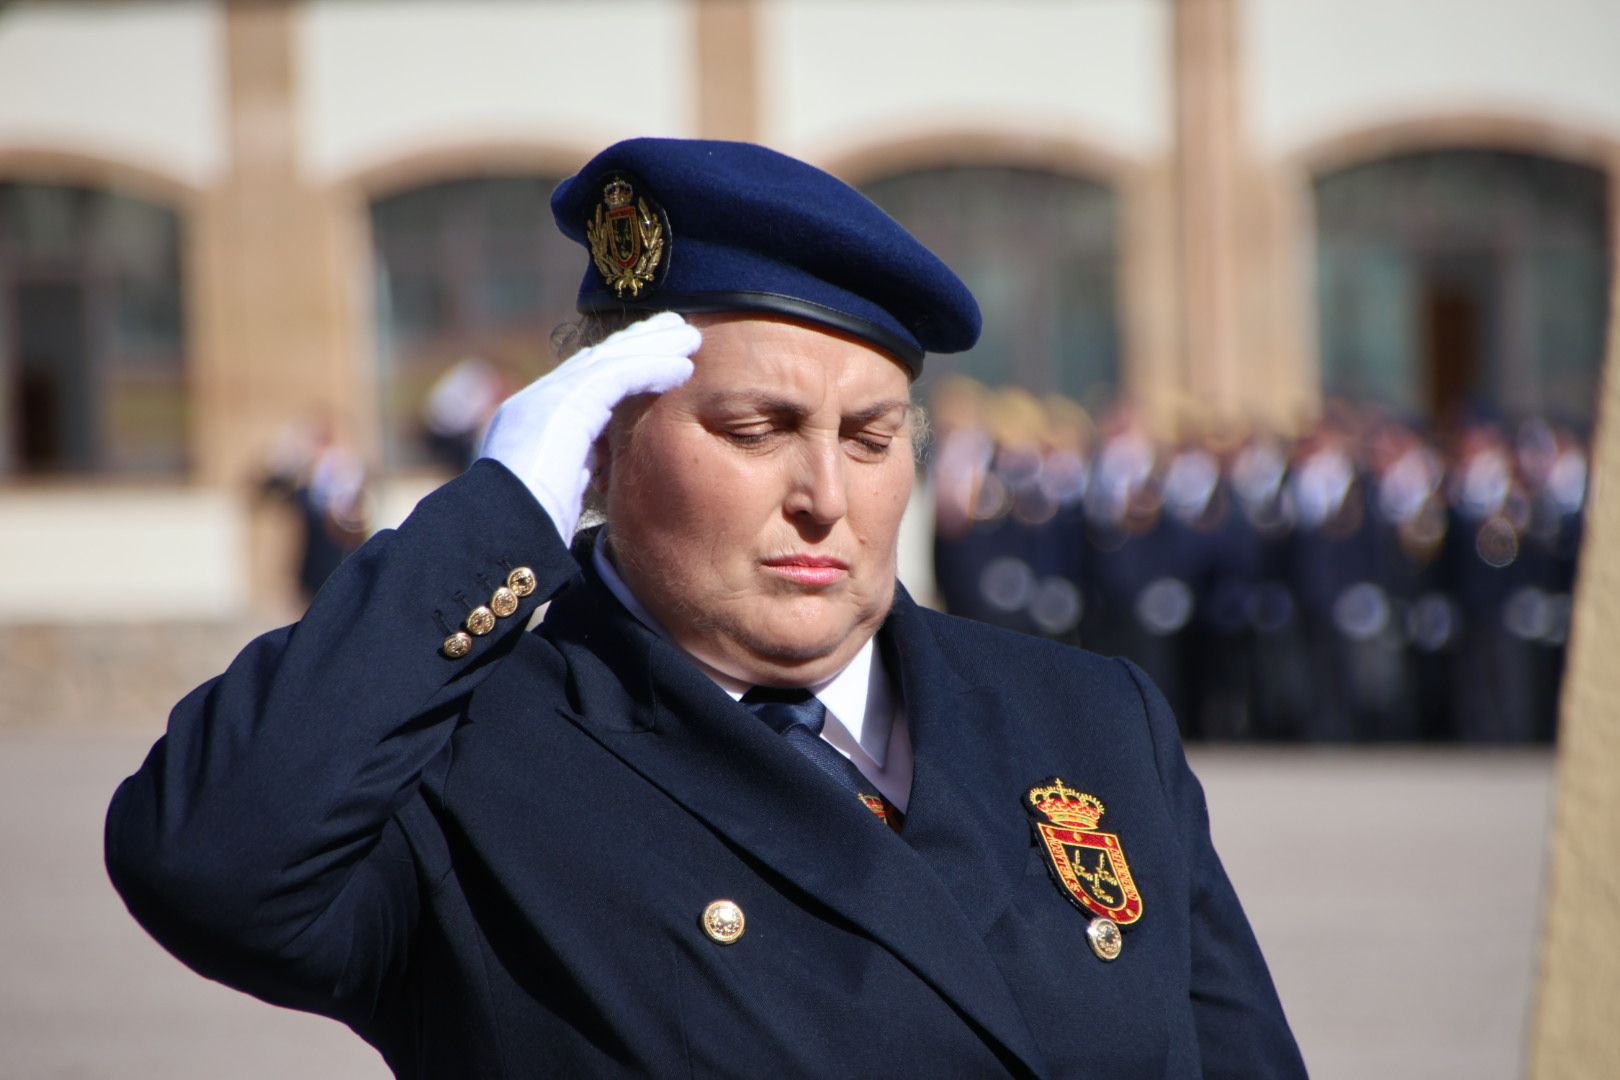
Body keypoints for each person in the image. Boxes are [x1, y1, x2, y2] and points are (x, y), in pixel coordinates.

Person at [106, 138, 1305, 1078]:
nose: (824, 497)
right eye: (756, 430)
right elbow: (208, 861)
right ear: (606, 445)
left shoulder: (1087, 720)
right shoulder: (469, 758)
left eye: (872, 437)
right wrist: (495, 516)